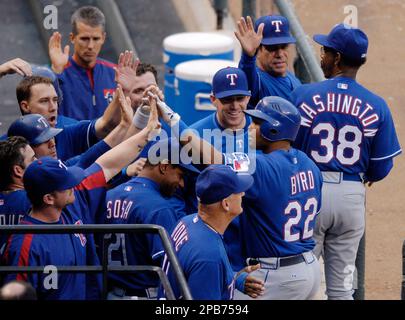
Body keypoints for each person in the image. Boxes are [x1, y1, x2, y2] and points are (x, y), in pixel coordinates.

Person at [155, 95, 323, 300]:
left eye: (258, 123)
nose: (251, 127)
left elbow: (211, 161)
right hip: (310, 269)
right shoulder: (309, 164)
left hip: (275, 276)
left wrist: (173, 120)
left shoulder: (262, 167)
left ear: (273, 130)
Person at [1, 93, 160, 300]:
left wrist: (146, 130)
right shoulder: (25, 243)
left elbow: (106, 163)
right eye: (67, 183)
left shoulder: (66, 200)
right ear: (48, 198)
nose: (73, 185)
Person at [290, 23, 402, 300]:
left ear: (337, 58)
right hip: (351, 196)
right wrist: (365, 175)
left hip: (309, 192)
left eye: (326, 51)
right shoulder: (376, 105)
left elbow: (285, 148)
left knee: (301, 279)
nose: (322, 56)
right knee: (341, 289)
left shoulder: (303, 95)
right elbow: (382, 166)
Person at [103, 138, 199, 300]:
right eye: (180, 175)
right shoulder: (159, 208)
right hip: (144, 294)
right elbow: (172, 268)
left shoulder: (109, 196)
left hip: (109, 293)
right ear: (163, 167)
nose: (182, 184)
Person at [160, 164, 264, 300]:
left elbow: (190, 271)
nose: (243, 194)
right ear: (226, 204)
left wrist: (233, 279)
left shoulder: (188, 222)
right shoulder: (208, 255)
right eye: (238, 191)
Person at [190, 66, 252, 272]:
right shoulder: (196, 134)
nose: (234, 106)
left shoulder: (262, 131)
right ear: (213, 99)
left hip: (255, 235)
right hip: (216, 238)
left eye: (239, 98)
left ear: (248, 97)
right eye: (227, 100)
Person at [48, 6, 116, 120]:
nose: (90, 46)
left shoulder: (116, 73)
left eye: (96, 39)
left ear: (103, 38)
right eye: (84, 39)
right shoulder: (59, 73)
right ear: (72, 37)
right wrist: (56, 71)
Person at [235, 15, 301, 107]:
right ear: (258, 50)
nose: (280, 54)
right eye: (272, 48)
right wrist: (248, 56)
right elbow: (246, 80)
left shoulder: (292, 78)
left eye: (284, 46)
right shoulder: (258, 83)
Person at [0, 137, 36, 253]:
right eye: (32, 159)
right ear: (18, 170)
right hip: (24, 267)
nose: (37, 161)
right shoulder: (35, 200)